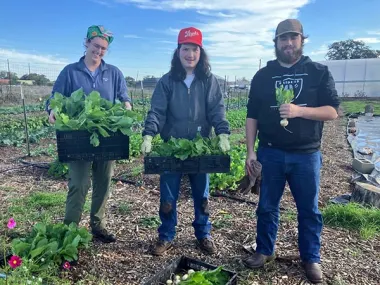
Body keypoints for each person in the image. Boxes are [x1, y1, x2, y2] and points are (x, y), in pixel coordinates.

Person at [243, 19, 340, 284]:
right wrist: (250, 152)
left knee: (309, 210)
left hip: (306, 155)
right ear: (275, 43)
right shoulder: (263, 75)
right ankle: (264, 250)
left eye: (293, 37)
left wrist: (300, 111)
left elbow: (332, 111)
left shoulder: (318, 71)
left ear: (301, 40)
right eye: (282, 39)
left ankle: (311, 258)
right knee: (266, 206)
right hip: (270, 153)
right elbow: (252, 116)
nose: (288, 43)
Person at [140, 27, 230, 256]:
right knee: (168, 197)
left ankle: (203, 234)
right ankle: (166, 235)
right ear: (178, 51)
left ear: (201, 53)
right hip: (173, 147)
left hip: (200, 148)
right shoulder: (167, 81)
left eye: (194, 49)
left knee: (202, 196)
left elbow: (216, 110)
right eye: (186, 49)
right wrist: (149, 134)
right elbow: (157, 111)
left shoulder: (208, 81)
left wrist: (222, 133)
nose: (190, 54)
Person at [46, 25, 132, 243]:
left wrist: (127, 106)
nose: (99, 51)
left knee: (103, 181)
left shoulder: (113, 73)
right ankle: (70, 230)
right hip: (77, 138)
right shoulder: (70, 71)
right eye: (96, 46)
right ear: (86, 43)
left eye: (104, 48)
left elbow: (124, 97)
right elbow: (54, 97)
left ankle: (98, 225)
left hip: (106, 136)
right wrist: (53, 110)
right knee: (78, 183)